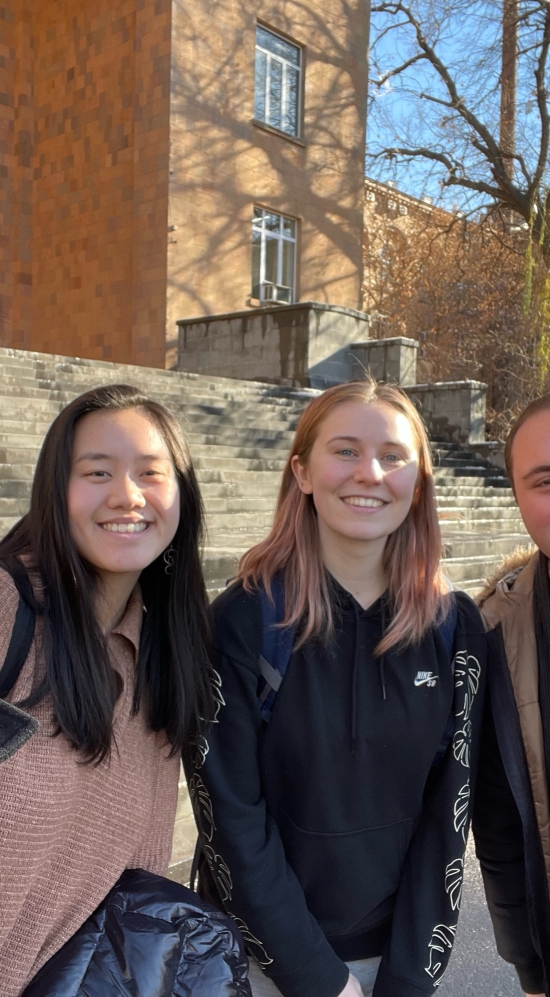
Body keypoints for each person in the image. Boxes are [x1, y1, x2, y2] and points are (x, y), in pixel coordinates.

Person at [185, 379, 487, 997]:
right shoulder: (244, 621)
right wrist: (319, 981)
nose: (369, 473)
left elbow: (449, 813)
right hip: (260, 964)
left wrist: (410, 976)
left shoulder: (453, 625)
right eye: (345, 450)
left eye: (393, 456)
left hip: (394, 964)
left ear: (419, 479)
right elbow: (231, 822)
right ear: (302, 470)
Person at [0, 384, 213, 997]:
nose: (127, 496)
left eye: (152, 473)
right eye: (97, 472)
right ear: (54, 490)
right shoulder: (9, 608)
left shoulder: (167, 649)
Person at [474, 394, 550, 997]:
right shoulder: (497, 629)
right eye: (544, 481)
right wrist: (527, 964)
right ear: (518, 498)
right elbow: (497, 814)